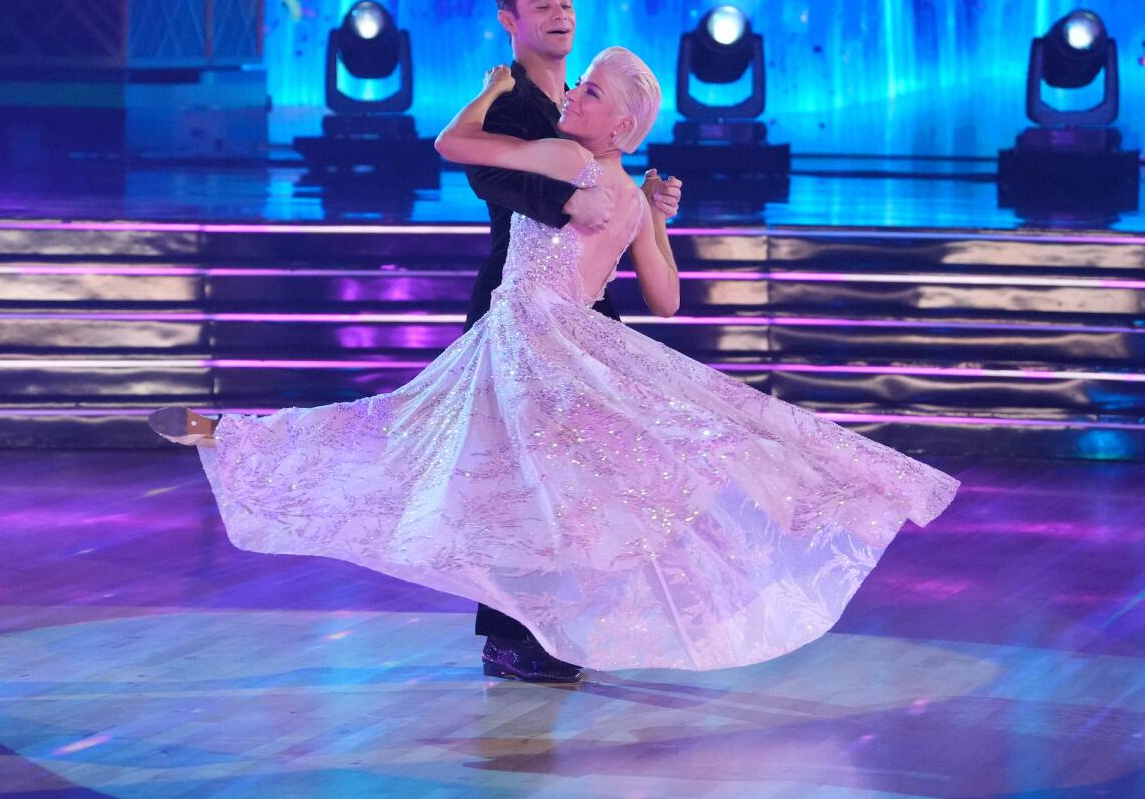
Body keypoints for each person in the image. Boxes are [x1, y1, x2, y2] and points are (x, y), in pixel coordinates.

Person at [151, 46, 959, 677]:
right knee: (552, 487)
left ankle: (232, 435)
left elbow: (453, 143)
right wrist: (658, 216)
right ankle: (544, 637)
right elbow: (668, 300)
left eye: (591, 94)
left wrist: (493, 90)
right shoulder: (624, 187)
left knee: (415, 444)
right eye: (578, 88)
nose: (572, 96)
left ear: (621, 129)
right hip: (559, 347)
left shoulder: (565, 160)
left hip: (534, 347)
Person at [462, 0, 681, 682]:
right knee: (510, 475)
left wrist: (644, 212)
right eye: (542, 3)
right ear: (511, 19)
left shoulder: (581, 106)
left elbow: (661, 286)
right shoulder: (520, 100)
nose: (560, 13)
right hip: (517, 300)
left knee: (588, 472)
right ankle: (511, 632)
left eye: (567, 1)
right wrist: (567, 201)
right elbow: (484, 171)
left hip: (584, 311)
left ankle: (566, 617)